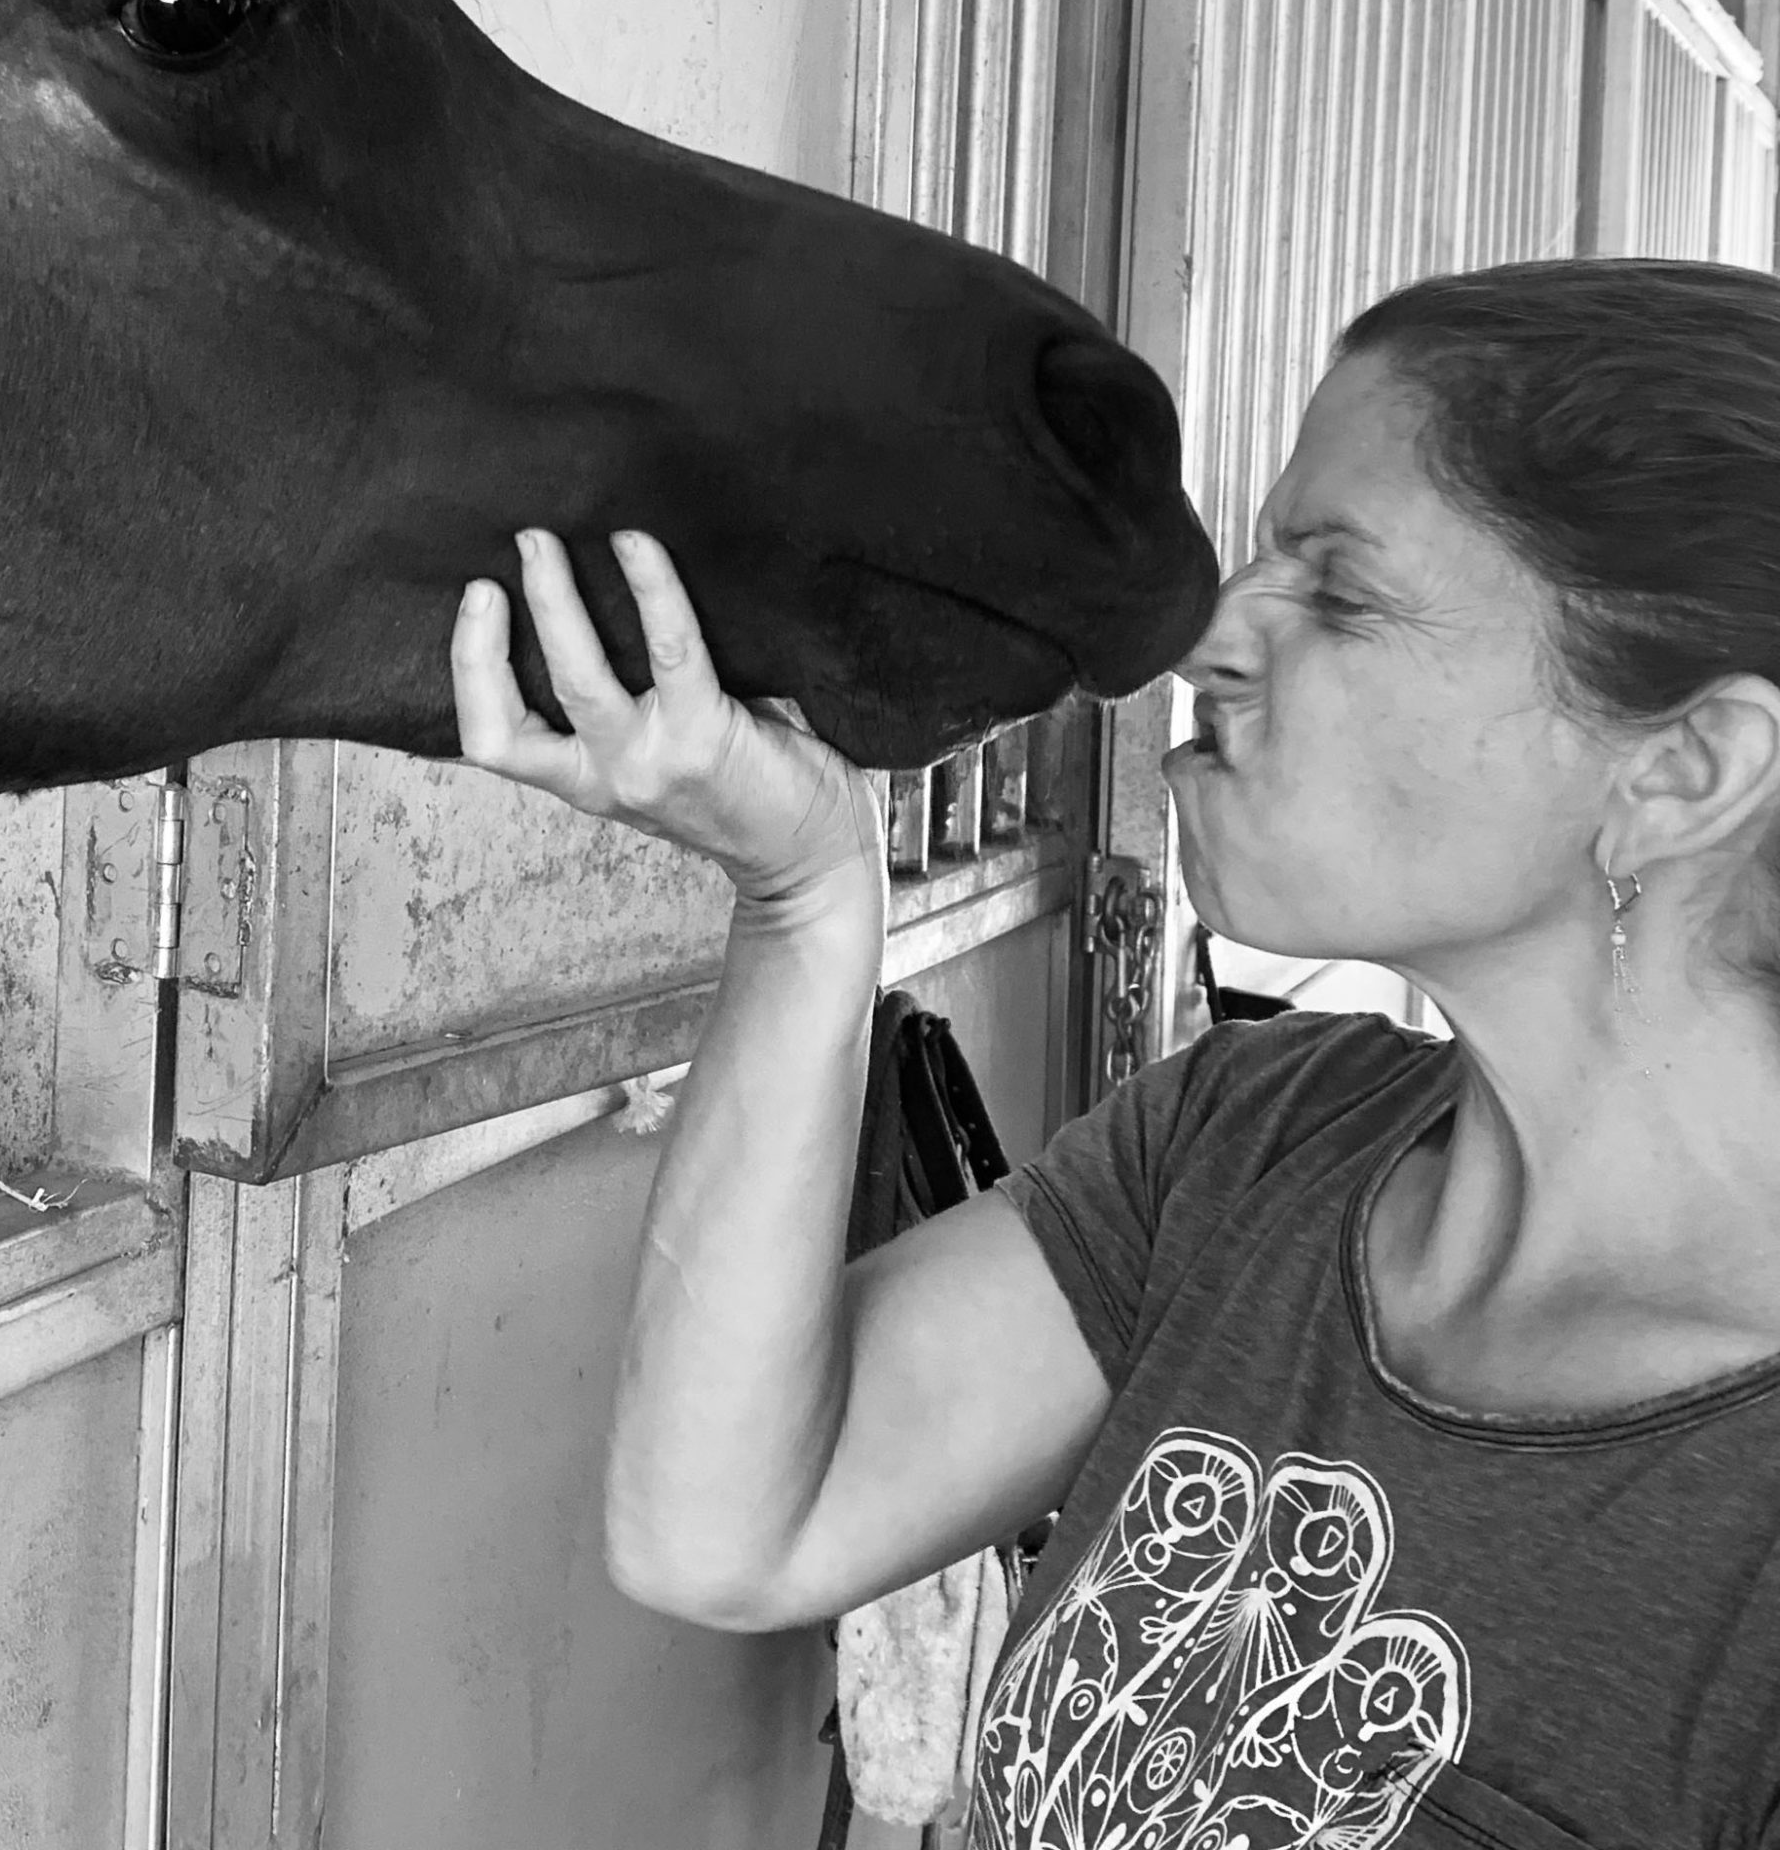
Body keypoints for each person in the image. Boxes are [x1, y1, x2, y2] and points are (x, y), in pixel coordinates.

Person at [450, 258, 1780, 1850]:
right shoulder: (1252, 1144)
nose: (1216, 635)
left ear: (1688, 770)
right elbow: (728, 1525)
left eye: (1338, 590)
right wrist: (806, 896)